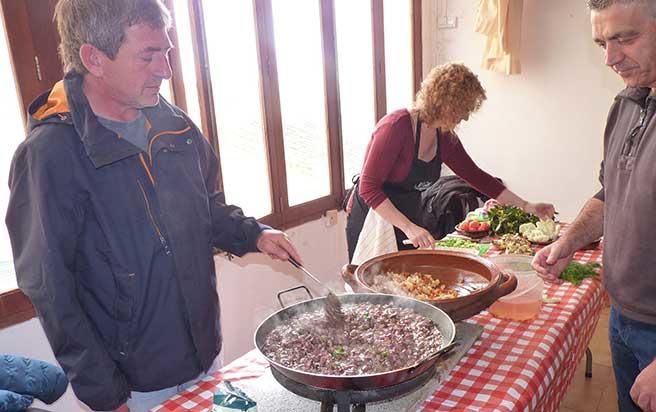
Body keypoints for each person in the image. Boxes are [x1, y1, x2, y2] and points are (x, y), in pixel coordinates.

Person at [4, 1, 301, 411]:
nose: (165, 69)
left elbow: (205, 207)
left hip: (203, 353)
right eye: (148, 55)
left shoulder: (175, 126)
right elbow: (52, 291)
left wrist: (255, 233)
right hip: (134, 385)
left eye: (167, 52)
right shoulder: (50, 156)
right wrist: (107, 396)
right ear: (94, 58)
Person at [532, 1, 656, 410]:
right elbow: (610, 194)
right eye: (602, 42)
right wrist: (568, 242)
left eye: (626, 37)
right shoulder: (626, 104)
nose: (610, 57)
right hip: (622, 315)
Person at [345, 63, 555, 259]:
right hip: (373, 217)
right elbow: (368, 187)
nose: (465, 118)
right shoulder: (395, 127)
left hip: (407, 215)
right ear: (446, 105)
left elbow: (477, 177)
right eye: (463, 110)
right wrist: (408, 227)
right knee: (372, 289)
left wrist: (527, 206)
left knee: (401, 286)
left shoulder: (443, 135)